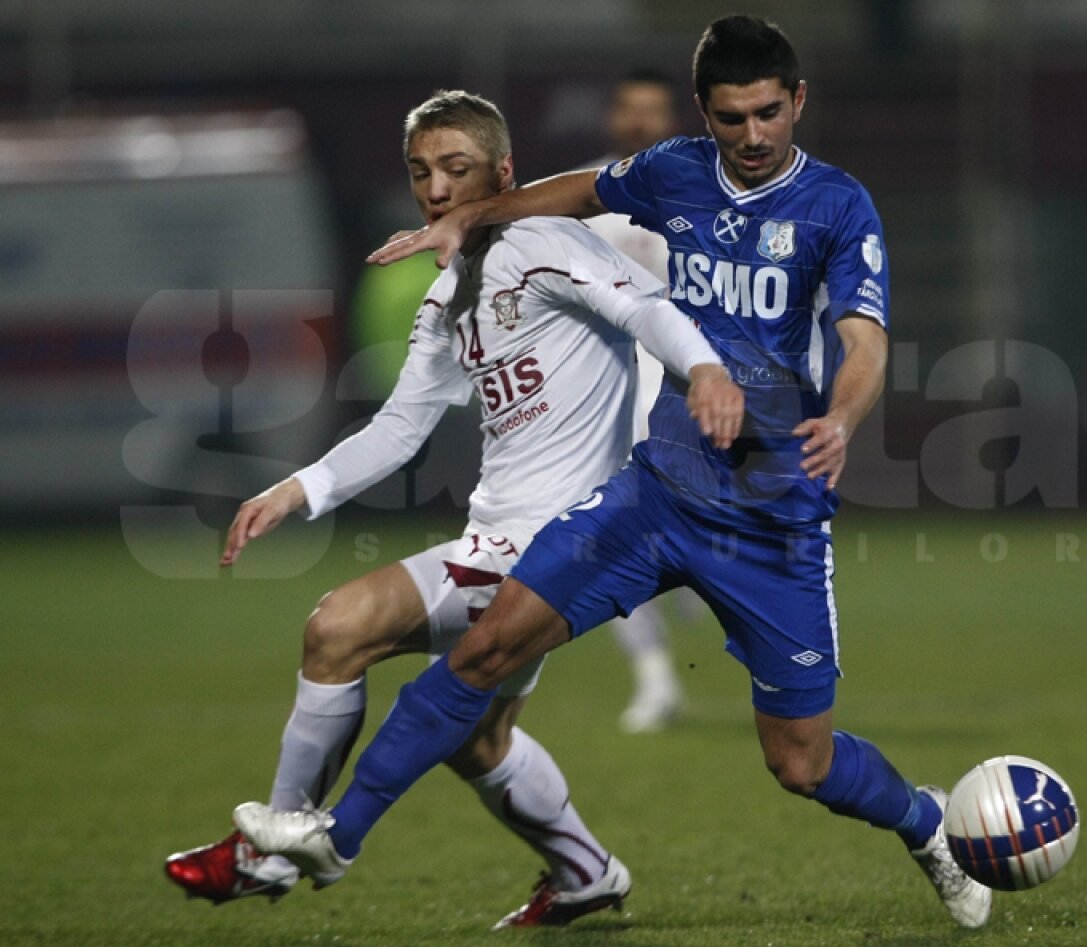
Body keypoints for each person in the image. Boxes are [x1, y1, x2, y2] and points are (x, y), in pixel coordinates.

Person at [235, 15, 993, 931]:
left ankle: (927, 824)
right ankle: (336, 833)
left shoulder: (837, 205)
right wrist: (475, 213)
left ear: (797, 101)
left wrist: (842, 414)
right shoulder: (675, 170)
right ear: (705, 114)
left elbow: (863, 338)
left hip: (770, 517)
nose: (751, 137)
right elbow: (581, 189)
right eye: (730, 118)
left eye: (766, 114)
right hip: (657, 491)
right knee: (484, 650)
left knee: (802, 762)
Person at [164, 89, 742, 929]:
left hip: (557, 543)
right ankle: (586, 872)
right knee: (479, 739)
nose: (435, 187)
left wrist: (710, 371)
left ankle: (268, 851)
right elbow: (402, 424)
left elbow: (645, 309)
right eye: (421, 172)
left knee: (339, 625)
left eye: (456, 168)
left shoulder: (547, 240)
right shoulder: (449, 294)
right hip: (507, 538)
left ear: (504, 173)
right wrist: (298, 487)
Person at [583, 70, 691, 733]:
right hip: (603, 393)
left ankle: (685, 574)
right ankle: (654, 679)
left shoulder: (704, 194)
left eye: (654, 110)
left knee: (700, 536)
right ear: (614, 117)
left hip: (687, 387)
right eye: (631, 109)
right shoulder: (581, 195)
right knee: (607, 538)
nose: (641, 121)